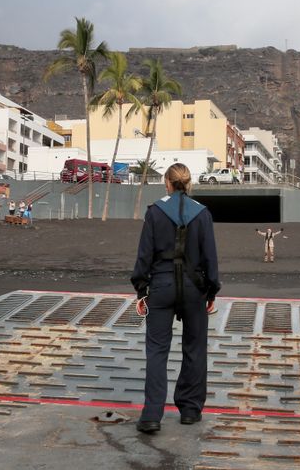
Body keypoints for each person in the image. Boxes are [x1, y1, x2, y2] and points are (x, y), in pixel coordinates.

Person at [131, 163, 221, 434]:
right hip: (194, 289)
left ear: (167, 183)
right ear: (188, 183)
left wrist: (141, 290)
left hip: (161, 287)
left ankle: (151, 415)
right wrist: (212, 291)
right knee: (194, 348)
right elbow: (210, 257)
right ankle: (190, 410)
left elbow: (144, 256)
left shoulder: (155, 212)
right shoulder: (202, 214)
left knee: (157, 350)